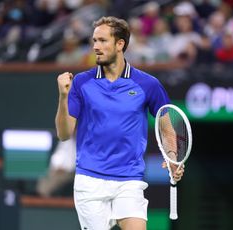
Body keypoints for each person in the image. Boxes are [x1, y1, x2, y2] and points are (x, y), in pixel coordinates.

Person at [55, 16, 185, 230]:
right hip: (90, 181)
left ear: (120, 44)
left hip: (129, 180)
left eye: (103, 41)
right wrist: (62, 97)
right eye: (94, 40)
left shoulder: (148, 84)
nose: (96, 46)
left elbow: (166, 124)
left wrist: (173, 157)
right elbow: (64, 134)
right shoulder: (81, 82)